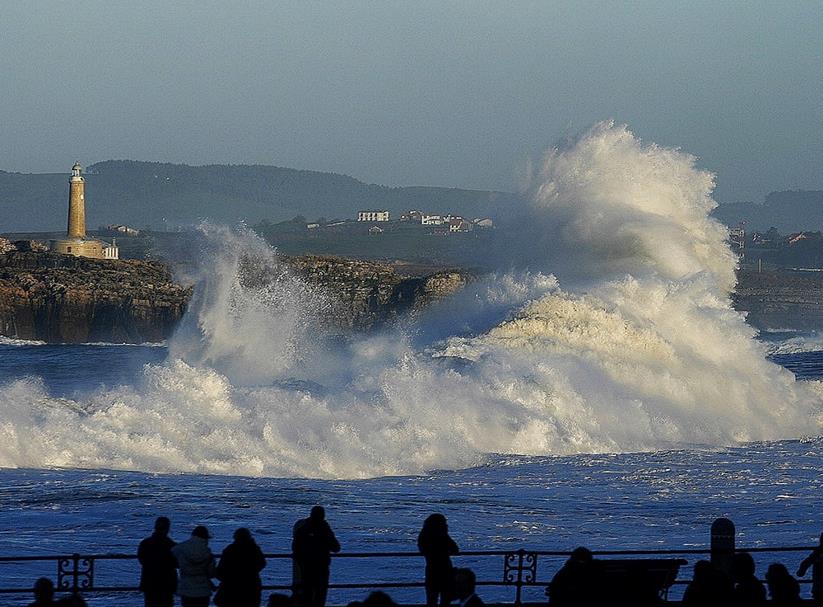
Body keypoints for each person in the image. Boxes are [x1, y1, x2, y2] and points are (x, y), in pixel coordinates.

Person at [292, 506, 341, 607]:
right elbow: (336, 547)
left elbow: (295, 549)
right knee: (320, 596)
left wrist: (301, 562)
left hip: (306, 568)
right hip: (321, 568)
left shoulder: (302, 529)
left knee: (307, 596)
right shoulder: (324, 529)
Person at [214, 527, 267, 607]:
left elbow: (220, 571)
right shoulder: (254, 549)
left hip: (231, 589)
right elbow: (262, 563)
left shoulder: (230, 549)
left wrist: (228, 579)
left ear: (235, 537)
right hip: (251, 587)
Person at [418, 513, 459, 607]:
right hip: (446, 570)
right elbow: (455, 549)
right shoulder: (443, 535)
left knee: (431, 600)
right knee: (445, 601)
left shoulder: (424, 534)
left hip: (431, 570)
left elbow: (422, 550)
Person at [172, 525, 217, 607]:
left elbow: (172, 561)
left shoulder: (180, 548)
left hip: (186, 589)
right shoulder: (208, 553)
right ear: (205, 538)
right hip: (203, 590)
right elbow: (211, 574)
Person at [138, 516, 178, 607]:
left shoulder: (145, 543)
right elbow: (177, 563)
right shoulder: (172, 545)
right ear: (167, 529)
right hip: (167, 584)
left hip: (150, 583)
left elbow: (141, 559)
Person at [798, 532, 823, 607]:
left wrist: (801, 572)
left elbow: (806, 563)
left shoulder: (818, 552)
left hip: (819, 587)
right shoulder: (818, 552)